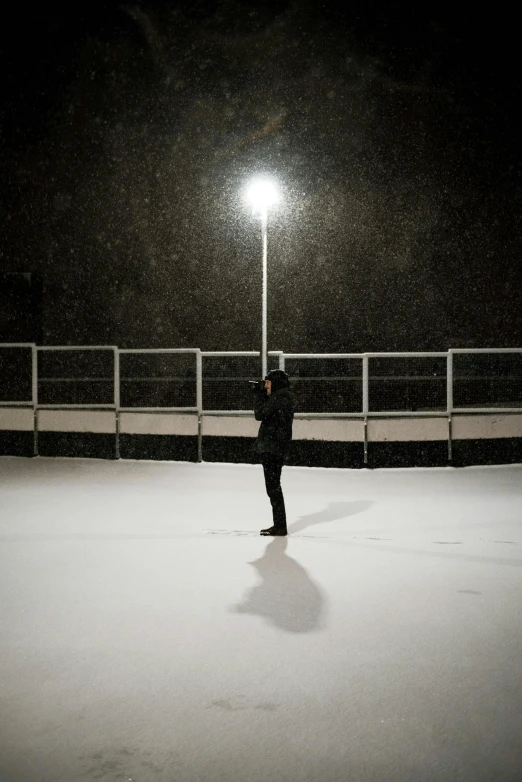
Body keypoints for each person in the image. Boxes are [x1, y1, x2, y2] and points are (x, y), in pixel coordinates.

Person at [252, 369, 295, 536]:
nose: (266, 387)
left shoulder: (281, 397)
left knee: (273, 487)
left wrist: (258, 394)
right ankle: (279, 524)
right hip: (275, 447)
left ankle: (280, 526)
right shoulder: (284, 396)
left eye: (268, 383)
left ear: (276, 383)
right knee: (273, 487)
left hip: (273, 448)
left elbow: (260, 413)